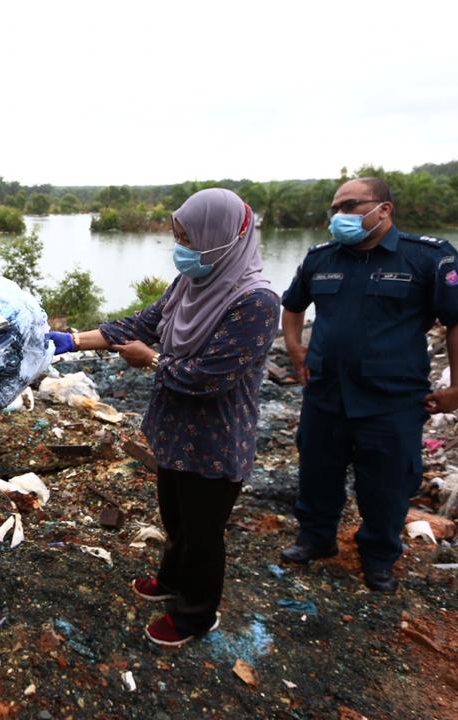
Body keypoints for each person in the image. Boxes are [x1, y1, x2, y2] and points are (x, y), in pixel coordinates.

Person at [47, 188, 280, 648]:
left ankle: (196, 614)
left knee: (204, 530)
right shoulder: (192, 283)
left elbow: (212, 377)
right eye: (178, 237)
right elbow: (141, 324)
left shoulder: (257, 302)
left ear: (222, 237)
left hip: (215, 438)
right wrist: (73, 340)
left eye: (188, 239)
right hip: (175, 429)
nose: (181, 249)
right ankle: (172, 580)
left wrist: (152, 361)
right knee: (175, 516)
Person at [280, 177, 458, 592]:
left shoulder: (427, 259)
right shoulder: (321, 259)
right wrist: (296, 348)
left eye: (350, 206)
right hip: (326, 393)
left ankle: (378, 556)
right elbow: (293, 305)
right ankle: (316, 539)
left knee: (387, 484)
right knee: (317, 471)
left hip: (392, 399)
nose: (339, 216)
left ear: (383, 209)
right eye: (335, 208)